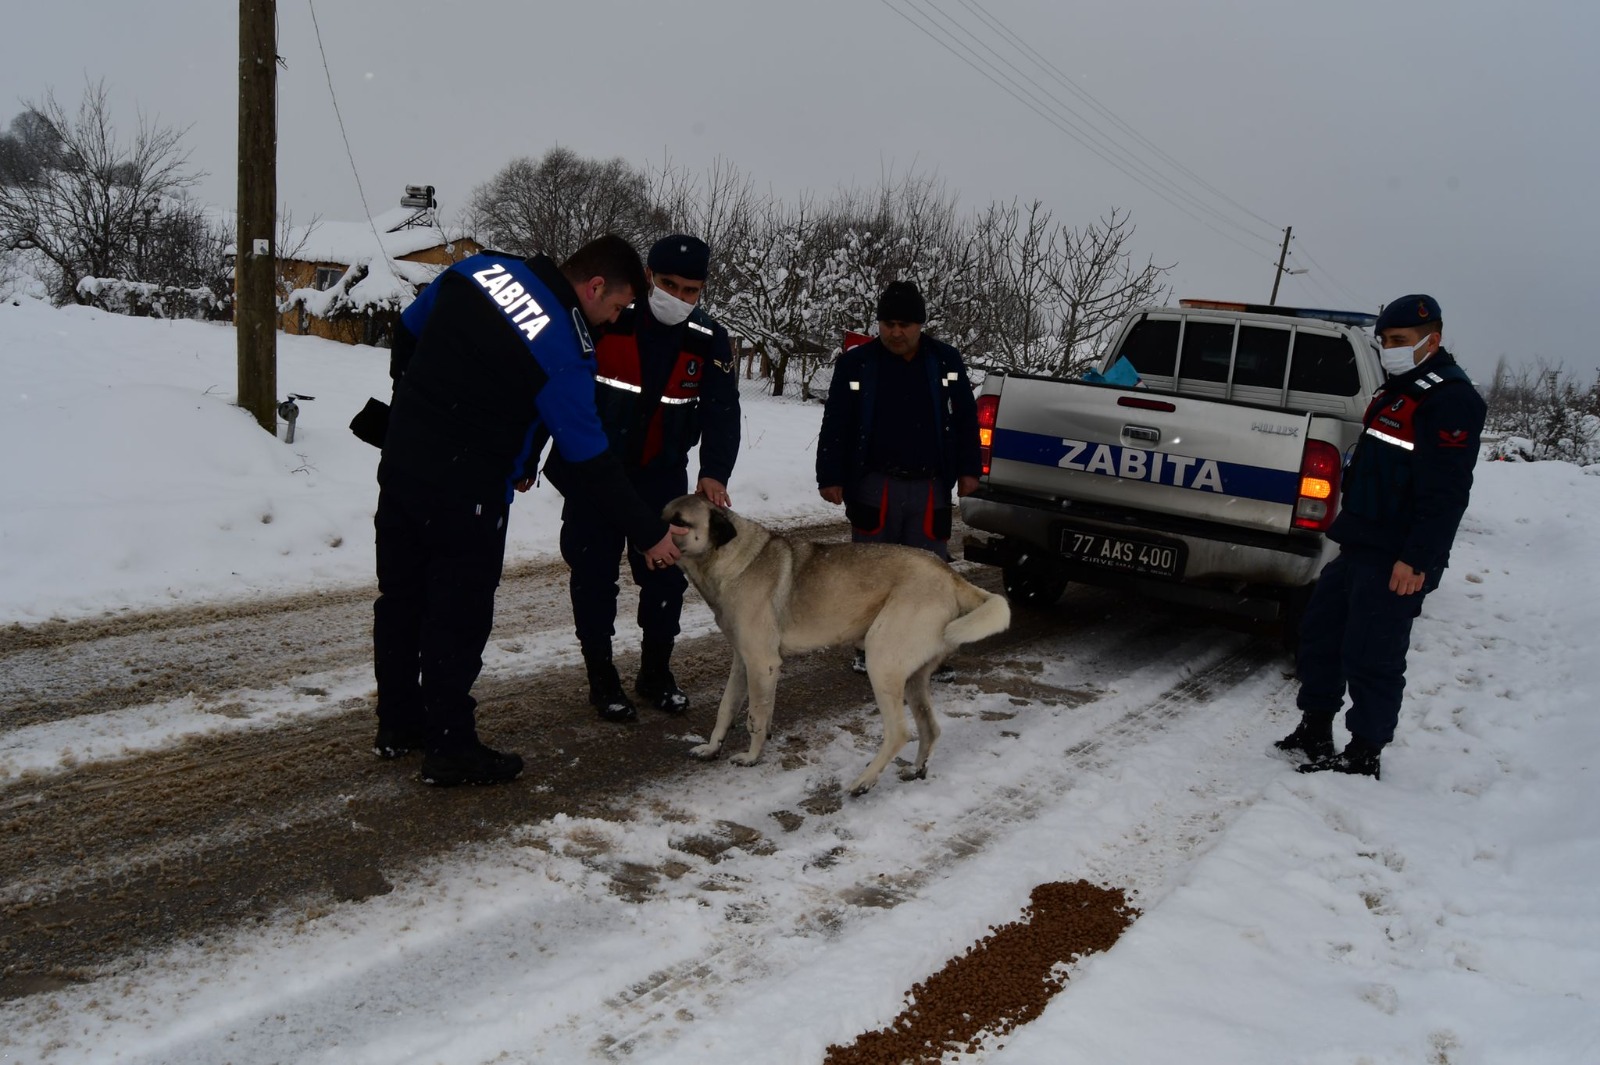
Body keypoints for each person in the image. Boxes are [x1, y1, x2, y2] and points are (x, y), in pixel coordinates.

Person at [372, 235, 686, 786]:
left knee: (400, 599)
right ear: (593, 287)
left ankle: (399, 725)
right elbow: (591, 459)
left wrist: (416, 414)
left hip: (402, 468)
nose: (614, 321)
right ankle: (449, 747)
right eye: (615, 308)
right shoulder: (564, 348)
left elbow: (408, 332)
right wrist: (647, 532)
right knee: (457, 615)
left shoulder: (481, 268)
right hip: (466, 493)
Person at [1277, 294, 1486, 780]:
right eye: (1384, 341)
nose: (1388, 349)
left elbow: (1447, 493)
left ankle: (1363, 754)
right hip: (1360, 544)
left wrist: (1417, 559)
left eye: (1399, 341)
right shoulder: (1399, 389)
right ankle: (1314, 728)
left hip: (1397, 555)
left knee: (1373, 655)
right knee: (1321, 639)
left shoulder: (1450, 399)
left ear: (1431, 340)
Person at [546, 234, 741, 723]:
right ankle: (601, 677)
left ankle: (655, 671)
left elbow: (722, 410)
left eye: (690, 290)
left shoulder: (709, 340)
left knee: (665, 581)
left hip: (662, 477)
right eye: (668, 283)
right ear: (648, 277)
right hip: (594, 473)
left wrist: (714, 471)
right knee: (594, 578)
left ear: (701, 292)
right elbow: (556, 387)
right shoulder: (608, 319)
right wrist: (531, 459)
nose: (677, 296)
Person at [815, 279, 983, 680]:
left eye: (905, 324)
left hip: (930, 487)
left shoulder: (945, 362)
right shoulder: (856, 363)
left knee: (929, 573)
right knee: (871, 573)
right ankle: (866, 649)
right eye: (888, 322)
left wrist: (969, 469)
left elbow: (964, 418)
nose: (896, 331)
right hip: (875, 484)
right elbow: (836, 421)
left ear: (920, 324)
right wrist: (830, 475)